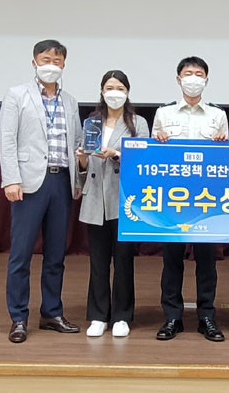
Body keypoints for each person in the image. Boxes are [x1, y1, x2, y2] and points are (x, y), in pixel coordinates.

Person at [0, 39, 82, 343]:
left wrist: (77, 181)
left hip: (61, 181)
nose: (51, 65)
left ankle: (52, 312)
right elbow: (7, 139)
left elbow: (77, 142)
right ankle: (18, 317)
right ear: (34, 62)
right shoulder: (17, 95)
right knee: (21, 254)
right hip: (29, 182)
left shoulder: (70, 101)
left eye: (57, 61)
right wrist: (11, 179)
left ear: (64, 65)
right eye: (45, 60)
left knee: (56, 254)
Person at [152, 56, 228, 342]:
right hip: (173, 199)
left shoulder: (217, 115)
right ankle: (172, 317)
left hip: (207, 200)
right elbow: (152, 158)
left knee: (207, 261)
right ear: (178, 79)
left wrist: (223, 145)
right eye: (188, 73)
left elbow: (227, 162)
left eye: (198, 74)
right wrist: (157, 140)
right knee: (172, 260)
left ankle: (207, 317)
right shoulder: (163, 113)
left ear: (206, 80)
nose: (193, 78)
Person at [76, 70, 149, 338]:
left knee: (123, 260)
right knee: (98, 261)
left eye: (119, 88)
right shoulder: (92, 121)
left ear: (127, 92)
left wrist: (117, 154)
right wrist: (82, 159)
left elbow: (144, 160)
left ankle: (121, 315)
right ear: (101, 91)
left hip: (124, 199)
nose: (114, 93)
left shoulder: (138, 123)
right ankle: (98, 315)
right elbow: (83, 168)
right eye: (109, 88)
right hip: (95, 198)